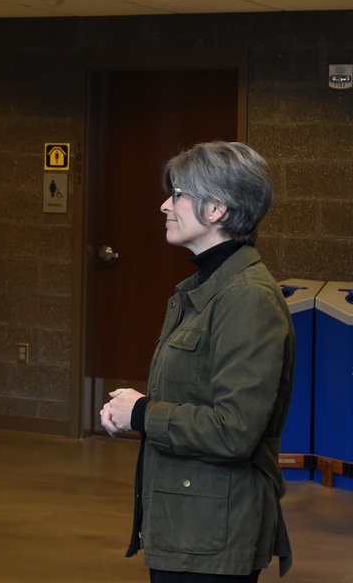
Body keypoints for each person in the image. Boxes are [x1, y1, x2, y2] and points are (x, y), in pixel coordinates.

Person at [100, 141, 294, 582]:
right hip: (190, 526)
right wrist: (133, 413)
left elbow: (234, 430)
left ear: (217, 210)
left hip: (213, 536)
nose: (165, 205)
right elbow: (198, 395)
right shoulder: (207, 289)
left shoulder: (247, 298)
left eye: (179, 194)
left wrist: (143, 413)